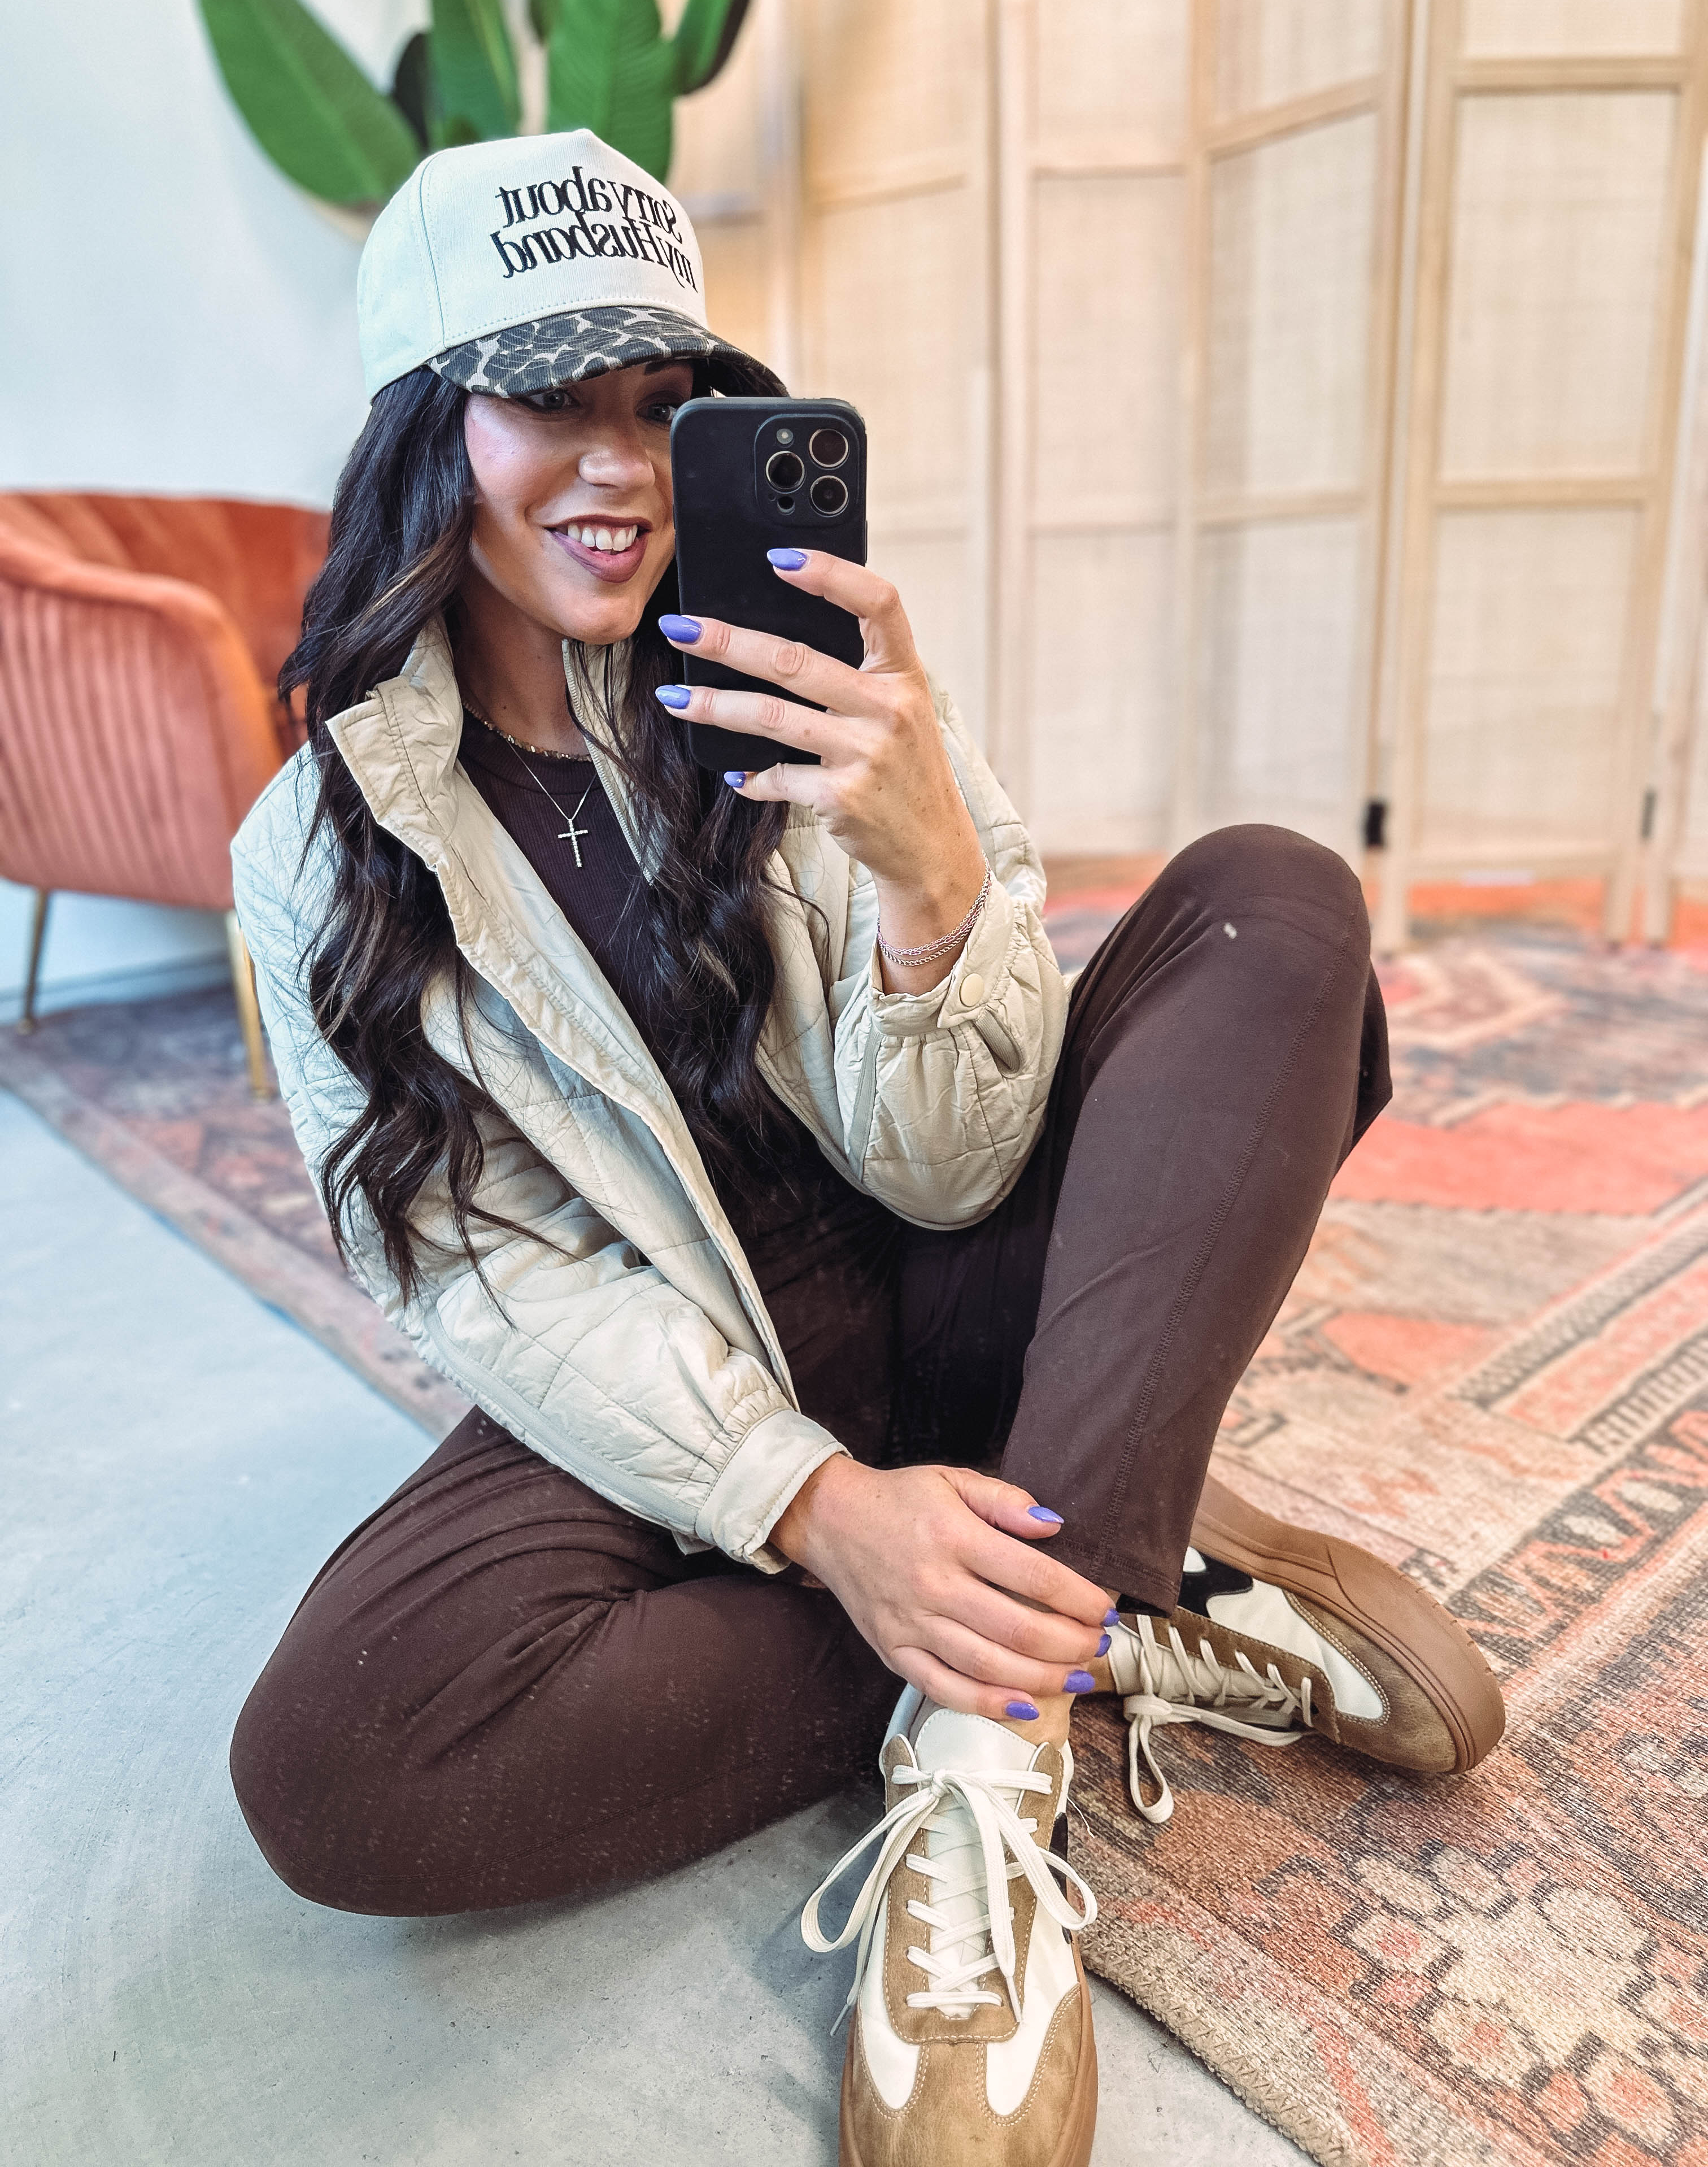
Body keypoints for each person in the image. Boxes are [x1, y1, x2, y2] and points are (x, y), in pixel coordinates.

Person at [229, 132, 1504, 2167]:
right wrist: (821, 1511)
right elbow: (481, 1271)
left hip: (961, 1263)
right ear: (424, 425)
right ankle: (1095, 1568)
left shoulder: (811, 677)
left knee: (1274, 904)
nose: (622, 467)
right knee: (340, 1757)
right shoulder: (316, 856)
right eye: (552, 401)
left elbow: (956, 1167)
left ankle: (990, 1745)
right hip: (701, 1345)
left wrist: (929, 884)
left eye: (664, 403)